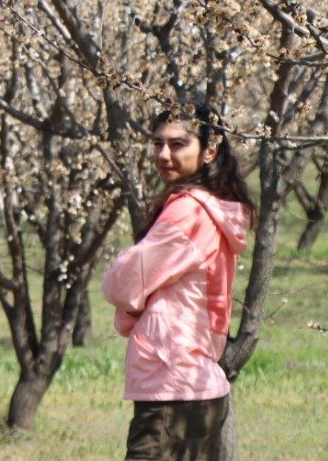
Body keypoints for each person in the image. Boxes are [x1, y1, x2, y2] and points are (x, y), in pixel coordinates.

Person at [102, 102, 254, 461]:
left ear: (209, 151)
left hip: (172, 384)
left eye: (178, 144)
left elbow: (122, 282)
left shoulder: (189, 212)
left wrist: (135, 301)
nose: (164, 155)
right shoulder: (214, 208)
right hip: (194, 383)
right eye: (158, 144)